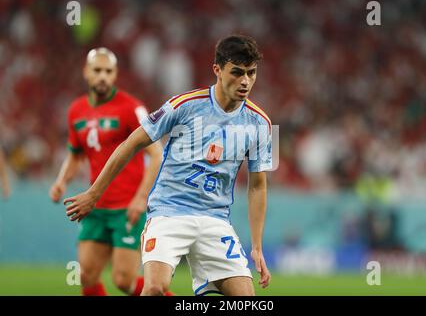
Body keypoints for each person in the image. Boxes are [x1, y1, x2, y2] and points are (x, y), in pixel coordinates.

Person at [64, 35, 273, 296]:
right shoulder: (184, 106)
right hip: (169, 212)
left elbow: (257, 186)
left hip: (215, 220)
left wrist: (256, 246)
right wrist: (94, 194)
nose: (245, 81)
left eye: (251, 73)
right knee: (153, 290)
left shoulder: (260, 123)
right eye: (237, 73)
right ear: (217, 70)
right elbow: (130, 144)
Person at [50, 48, 168, 296]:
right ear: (86, 72)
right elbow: (75, 153)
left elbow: (156, 154)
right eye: (97, 70)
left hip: (127, 208)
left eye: (108, 71)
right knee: (86, 276)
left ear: (115, 75)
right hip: (94, 206)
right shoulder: (76, 110)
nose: (102, 76)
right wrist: (62, 180)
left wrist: (141, 198)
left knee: (124, 281)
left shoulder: (131, 108)